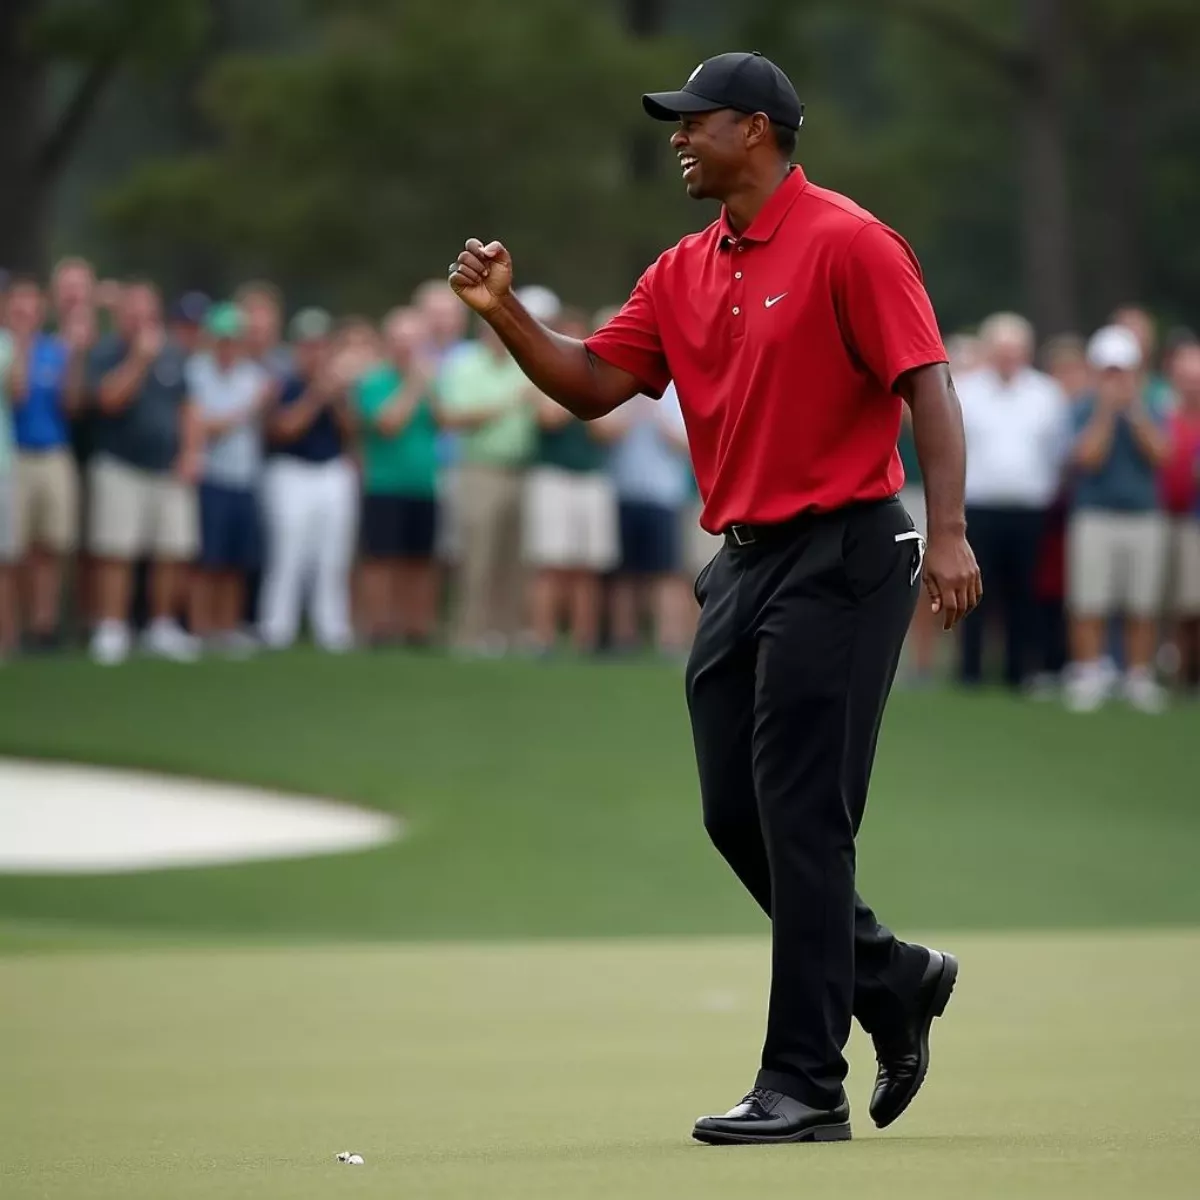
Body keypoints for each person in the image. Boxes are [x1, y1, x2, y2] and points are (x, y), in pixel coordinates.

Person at [448, 50, 980, 1144]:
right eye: (675, 124)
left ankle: (805, 1085)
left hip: (847, 550)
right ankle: (891, 979)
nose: (678, 138)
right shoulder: (683, 267)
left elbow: (925, 381)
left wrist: (954, 532)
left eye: (697, 122)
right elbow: (596, 383)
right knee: (734, 813)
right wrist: (504, 316)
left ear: (759, 129)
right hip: (742, 563)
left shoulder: (849, 241)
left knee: (804, 819)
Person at [85, 281, 204, 665]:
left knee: (172, 549)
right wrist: (138, 360)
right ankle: (112, 627)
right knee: (116, 550)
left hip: (167, 467)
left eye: (146, 313)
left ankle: (162, 626)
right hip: (120, 464)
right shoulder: (106, 352)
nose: (140, 320)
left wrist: (190, 452)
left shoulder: (172, 353)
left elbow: (187, 406)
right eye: (132, 312)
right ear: (120, 315)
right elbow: (108, 400)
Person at [955, 313, 1070, 690]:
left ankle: (1018, 671)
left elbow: (1057, 452)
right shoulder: (966, 390)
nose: (1008, 358)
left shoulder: (1045, 394)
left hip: (1029, 509)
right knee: (972, 592)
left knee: (1024, 592)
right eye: (1001, 351)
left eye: (1015, 351)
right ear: (989, 352)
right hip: (978, 507)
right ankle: (969, 670)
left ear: (1027, 353)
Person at [1065, 325, 1170, 713]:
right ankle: (1089, 673)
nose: (1116, 380)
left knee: (1141, 601)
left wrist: (1135, 411)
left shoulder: (1152, 405)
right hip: (1094, 515)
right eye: (1109, 372)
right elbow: (1087, 457)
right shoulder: (1082, 408)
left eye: (1122, 372)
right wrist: (1107, 412)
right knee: (1089, 600)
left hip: (1143, 516)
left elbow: (1161, 454)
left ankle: (1138, 676)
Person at [522, 299, 622, 655]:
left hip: (592, 477)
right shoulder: (542, 372)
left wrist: (582, 396)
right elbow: (549, 418)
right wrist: (580, 394)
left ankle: (584, 640)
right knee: (551, 562)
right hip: (554, 476)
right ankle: (543, 637)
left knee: (589, 565)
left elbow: (610, 431)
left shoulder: (606, 377)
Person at [258, 308, 358, 653]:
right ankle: (277, 627)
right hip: (291, 472)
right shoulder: (283, 382)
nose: (315, 353)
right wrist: (318, 394)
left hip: (331, 471)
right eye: (308, 346)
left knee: (333, 556)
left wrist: (338, 398)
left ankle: (332, 628)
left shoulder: (338, 386)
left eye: (320, 346)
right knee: (288, 554)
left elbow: (350, 432)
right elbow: (284, 429)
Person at [437, 318, 535, 656]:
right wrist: (509, 402)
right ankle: (467, 634)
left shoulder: (522, 363)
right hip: (479, 469)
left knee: (513, 559)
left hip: (520, 469)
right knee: (477, 556)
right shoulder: (466, 366)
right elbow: (452, 417)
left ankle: (504, 634)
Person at [5, 278, 89, 649]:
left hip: (54, 452)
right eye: (18, 307)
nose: (25, 314)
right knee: (15, 549)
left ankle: (45, 625)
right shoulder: (7, 347)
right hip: (16, 458)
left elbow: (71, 404)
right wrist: (21, 346)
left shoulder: (56, 349)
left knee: (51, 546)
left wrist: (74, 357)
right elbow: (18, 394)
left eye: (31, 307)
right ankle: (16, 626)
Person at [186, 302, 273, 655]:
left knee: (237, 560)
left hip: (245, 477)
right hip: (211, 475)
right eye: (223, 339)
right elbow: (207, 427)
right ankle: (200, 627)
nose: (228, 346)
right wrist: (249, 408)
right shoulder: (196, 372)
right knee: (208, 559)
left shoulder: (252, 375)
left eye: (234, 340)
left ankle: (226, 627)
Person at [353, 307, 441, 646]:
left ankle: (416, 628)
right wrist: (415, 384)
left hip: (424, 483)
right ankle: (379, 628)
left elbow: (444, 420)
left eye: (414, 341)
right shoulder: (374, 381)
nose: (407, 348)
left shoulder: (430, 381)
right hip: (385, 483)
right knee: (382, 559)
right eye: (400, 341)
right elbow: (389, 424)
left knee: (419, 560)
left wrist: (426, 386)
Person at [1160, 341, 1200, 692]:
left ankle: (1188, 676)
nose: (1192, 384)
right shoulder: (1162, 411)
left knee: (1192, 604)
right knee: (1170, 602)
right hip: (1164, 515)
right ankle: (1175, 675)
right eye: (1185, 377)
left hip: (1194, 519)